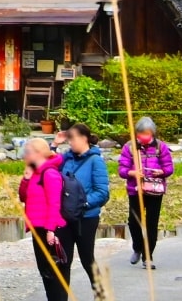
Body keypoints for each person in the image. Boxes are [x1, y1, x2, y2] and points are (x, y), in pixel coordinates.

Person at [18, 135, 69, 299]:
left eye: (28, 152)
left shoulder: (50, 173)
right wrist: (26, 179)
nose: (24, 155)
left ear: (38, 153)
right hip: (37, 227)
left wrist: (50, 230)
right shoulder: (35, 173)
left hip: (48, 228)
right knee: (45, 271)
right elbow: (23, 197)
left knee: (52, 272)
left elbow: (55, 204)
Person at [118, 116, 173, 268]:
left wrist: (161, 172)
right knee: (134, 221)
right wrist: (133, 173)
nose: (142, 137)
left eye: (146, 134)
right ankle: (137, 247)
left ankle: (148, 257)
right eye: (140, 134)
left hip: (155, 190)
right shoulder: (129, 147)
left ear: (152, 134)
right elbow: (122, 169)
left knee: (151, 223)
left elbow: (169, 168)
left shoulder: (160, 147)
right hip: (135, 190)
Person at [61, 123, 111, 287]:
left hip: (86, 218)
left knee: (86, 258)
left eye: (72, 139)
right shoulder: (66, 159)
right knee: (63, 260)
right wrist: (54, 144)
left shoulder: (96, 161)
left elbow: (102, 192)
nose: (70, 143)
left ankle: (101, 293)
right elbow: (46, 166)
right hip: (65, 217)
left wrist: (82, 203)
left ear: (84, 139)